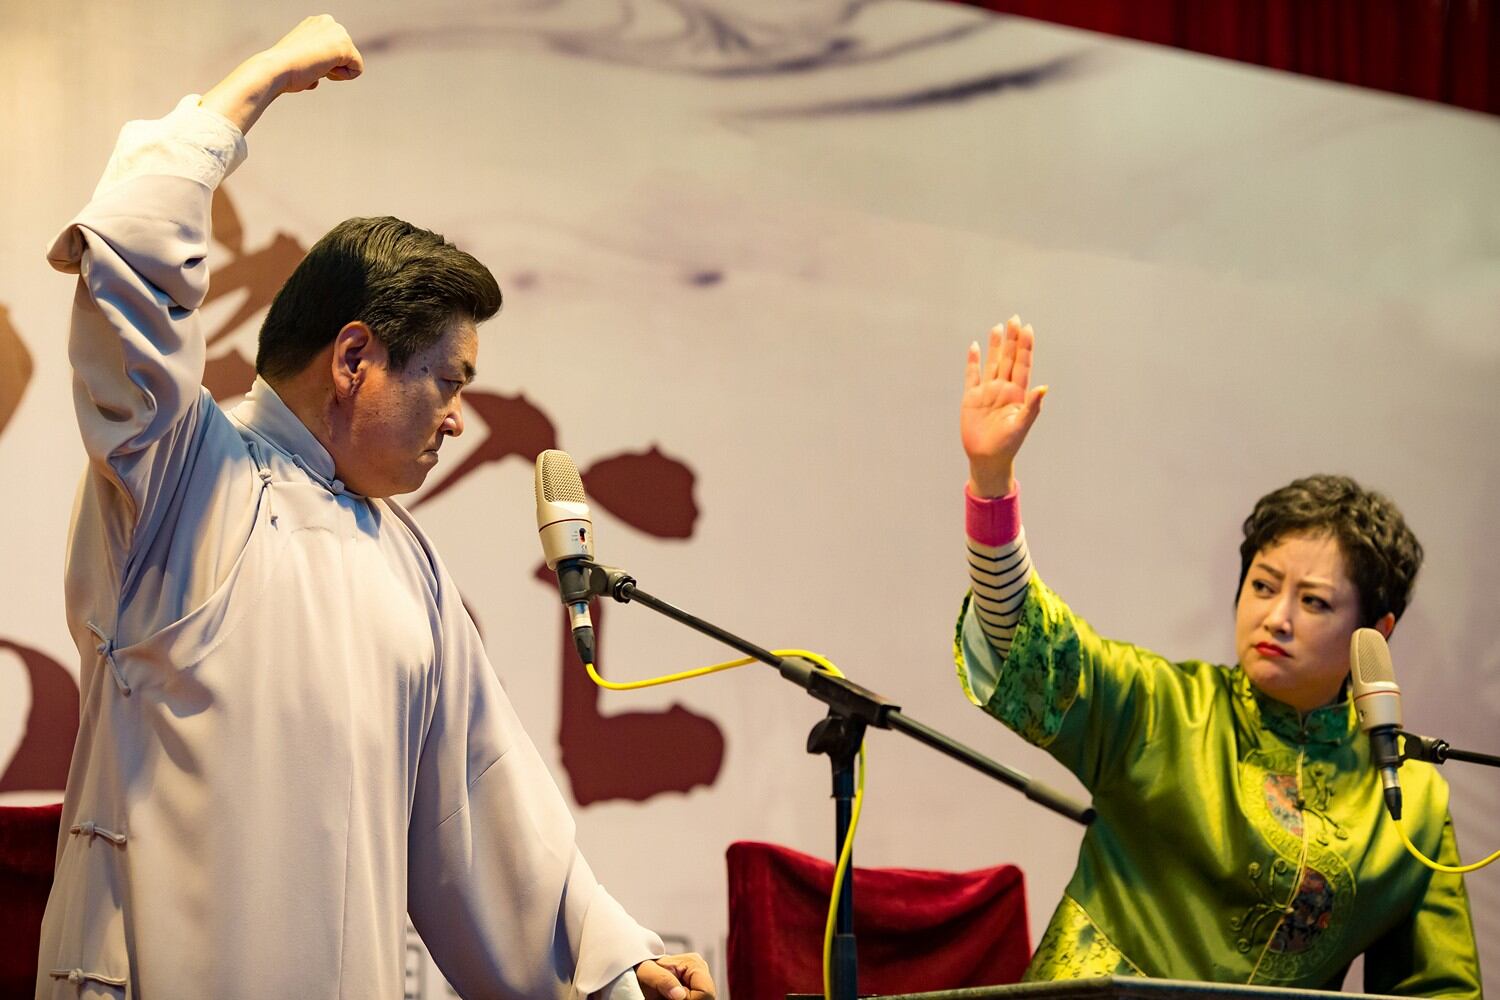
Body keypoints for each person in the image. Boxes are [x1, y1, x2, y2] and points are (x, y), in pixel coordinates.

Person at [39, 17, 714, 1000]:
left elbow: (485, 800)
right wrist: (259, 81)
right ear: (355, 357)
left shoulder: (408, 562)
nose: (458, 417)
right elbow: (132, 275)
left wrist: (616, 964)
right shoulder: (184, 474)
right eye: (448, 380)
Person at [953, 316, 1481, 994]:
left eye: (1313, 602)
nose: (1276, 617)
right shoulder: (1162, 710)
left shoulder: (1409, 802)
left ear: (1373, 634)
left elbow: (1438, 991)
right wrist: (990, 481)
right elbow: (1026, 643)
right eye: (1262, 586)